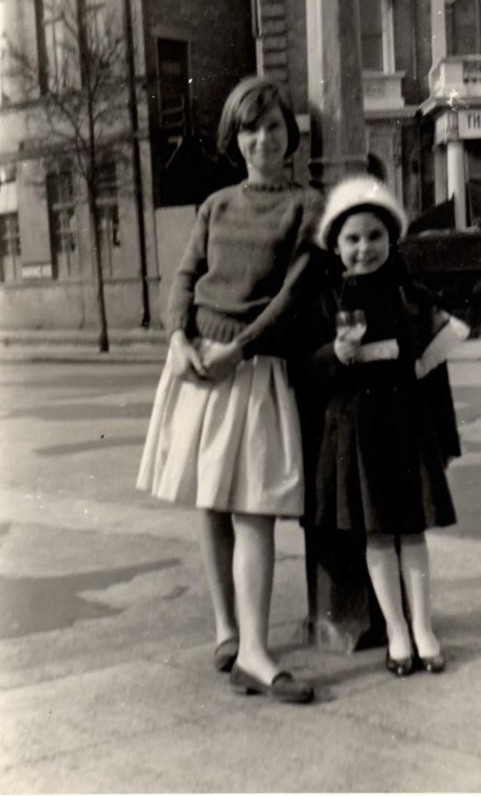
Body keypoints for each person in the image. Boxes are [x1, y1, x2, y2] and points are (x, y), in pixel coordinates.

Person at [137, 76, 323, 704]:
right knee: (211, 504)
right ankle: (227, 628)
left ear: (289, 137)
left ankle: (256, 651)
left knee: (254, 510)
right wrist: (177, 339)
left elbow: (296, 296)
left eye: (273, 127)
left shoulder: (309, 207)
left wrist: (237, 349)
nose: (262, 139)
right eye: (250, 129)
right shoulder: (215, 205)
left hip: (253, 368)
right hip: (196, 367)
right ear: (234, 137)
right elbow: (185, 277)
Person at [297, 174, 462, 677]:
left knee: (411, 532)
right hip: (354, 433)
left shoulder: (410, 298)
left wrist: (445, 440)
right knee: (374, 536)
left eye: (375, 236)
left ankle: (423, 627)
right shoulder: (327, 302)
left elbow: (435, 375)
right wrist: (334, 355)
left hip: (406, 428)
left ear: (392, 240)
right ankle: (395, 631)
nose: (364, 248)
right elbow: (306, 371)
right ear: (336, 245)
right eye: (352, 238)